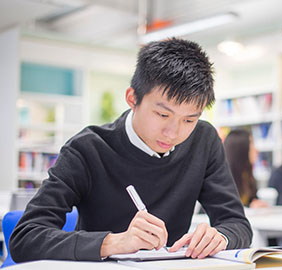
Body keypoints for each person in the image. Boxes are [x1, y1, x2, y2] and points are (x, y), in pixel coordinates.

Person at [10, 38, 252, 263]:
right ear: (132, 98)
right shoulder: (87, 149)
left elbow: (236, 223)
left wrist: (221, 237)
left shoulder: (204, 139)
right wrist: (112, 242)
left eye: (188, 120)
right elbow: (25, 238)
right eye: (162, 114)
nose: (173, 132)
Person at [223, 129, 269, 208]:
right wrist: (249, 206)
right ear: (241, 150)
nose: (256, 150)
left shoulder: (247, 176)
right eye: (252, 145)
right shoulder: (222, 182)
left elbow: (252, 201)